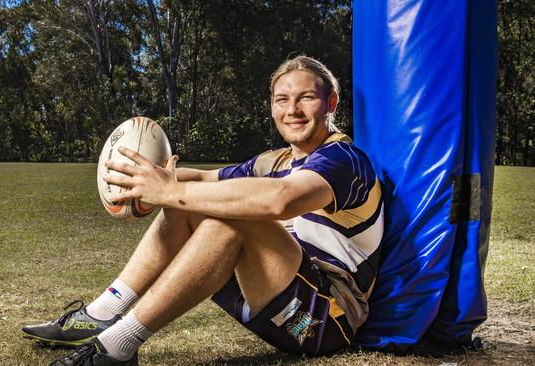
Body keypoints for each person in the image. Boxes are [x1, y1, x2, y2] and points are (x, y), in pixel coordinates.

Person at [22, 55, 384, 365]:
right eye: (282, 99)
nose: (292, 110)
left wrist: (170, 189)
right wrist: (149, 177)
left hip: (324, 319)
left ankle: (116, 348)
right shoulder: (275, 160)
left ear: (331, 102)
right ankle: (102, 313)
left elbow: (280, 200)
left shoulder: (344, 159)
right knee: (191, 200)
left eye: (306, 98)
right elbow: (206, 179)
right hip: (271, 295)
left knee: (232, 216)